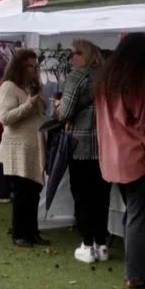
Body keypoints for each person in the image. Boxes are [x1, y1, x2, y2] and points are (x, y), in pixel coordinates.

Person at [94, 33, 145, 289]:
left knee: (132, 215)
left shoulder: (106, 82)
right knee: (139, 218)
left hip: (112, 160)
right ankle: (136, 273)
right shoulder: (140, 83)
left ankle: (135, 269)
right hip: (135, 159)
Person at [55, 39, 109, 263]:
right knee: (101, 196)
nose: (71, 58)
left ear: (83, 55)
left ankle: (87, 245)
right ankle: (102, 244)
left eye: (74, 53)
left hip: (82, 143)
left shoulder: (77, 77)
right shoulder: (106, 77)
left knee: (82, 195)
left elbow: (66, 111)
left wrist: (58, 108)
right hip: (105, 144)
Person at [0, 50, 47, 247]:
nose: (34, 70)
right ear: (19, 67)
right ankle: (19, 233)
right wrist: (28, 105)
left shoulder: (29, 87)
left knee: (33, 191)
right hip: (17, 149)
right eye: (30, 66)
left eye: (36, 66)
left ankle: (32, 232)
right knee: (22, 193)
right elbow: (5, 118)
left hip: (33, 147)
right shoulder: (8, 87)